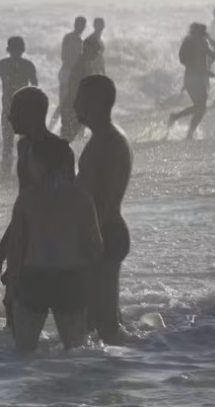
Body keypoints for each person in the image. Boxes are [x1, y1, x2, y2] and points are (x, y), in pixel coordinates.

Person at [0, 87, 76, 329]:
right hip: (24, 243)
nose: (9, 116)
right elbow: (24, 206)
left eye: (14, 110)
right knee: (12, 306)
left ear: (32, 113)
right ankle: (19, 360)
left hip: (49, 249)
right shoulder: (23, 146)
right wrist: (4, 248)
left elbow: (62, 207)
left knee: (56, 316)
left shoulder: (60, 150)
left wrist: (27, 257)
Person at [9, 139, 103, 353]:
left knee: (24, 354)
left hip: (34, 278)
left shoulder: (27, 199)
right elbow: (95, 247)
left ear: (40, 163)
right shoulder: (81, 198)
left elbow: (16, 246)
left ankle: (29, 387)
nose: (28, 165)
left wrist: (14, 283)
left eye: (31, 160)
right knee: (77, 352)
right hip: (69, 278)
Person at [75, 75, 133, 345]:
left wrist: (93, 240)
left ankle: (128, 369)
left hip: (105, 235)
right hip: (103, 234)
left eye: (79, 99)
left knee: (106, 326)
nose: (74, 105)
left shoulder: (109, 140)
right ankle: (96, 377)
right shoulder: (102, 138)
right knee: (94, 321)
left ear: (94, 103)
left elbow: (105, 201)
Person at [0, 37, 38, 173]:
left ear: (22, 50)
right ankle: (7, 172)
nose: (16, 52)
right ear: (9, 50)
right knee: (8, 143)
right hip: (9, 110)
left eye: (18, 49)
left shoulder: (27, 66)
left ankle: (23, 171)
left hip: (24, 110)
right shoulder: (2, 65)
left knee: (24, 143)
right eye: (14, 49)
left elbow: (35, 86)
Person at [169, 23, 215, 139]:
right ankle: (185, 128)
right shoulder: (195, 43)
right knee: (201, 107)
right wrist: (210, 69)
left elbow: (208, 55)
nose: (203, 34)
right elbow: (203, 57)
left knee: (200, 107)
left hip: (193, 79)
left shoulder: (194, 42)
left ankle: (179, 121)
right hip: (195, 79)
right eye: (201, 32)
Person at [60, 37, 104, 143]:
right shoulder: (80, 65)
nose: (98, 54)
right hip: (72, 107)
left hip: (76, 106)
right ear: (88, 49)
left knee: (70, 139)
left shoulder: (86, 63)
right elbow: (75, 88)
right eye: (96, 51)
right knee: (66, 140)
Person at [52, 17, 86, 127]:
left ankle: (67, 127)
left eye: (82, 25)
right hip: (66, 73)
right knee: (63, 103)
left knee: (72, 103)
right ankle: (50, 127)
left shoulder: (80, 40)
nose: (81, 27)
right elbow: (64, 56)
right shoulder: (70, 38)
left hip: (72, 75)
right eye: (79, 25)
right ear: (75, 25)